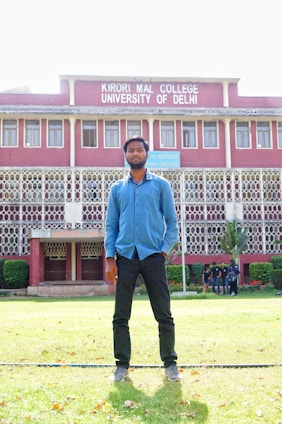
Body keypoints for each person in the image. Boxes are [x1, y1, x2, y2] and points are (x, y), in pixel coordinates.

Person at [105, 135, 182, 383]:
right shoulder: (117, 189)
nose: (135, 154)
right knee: (120, 315)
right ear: (125, 155)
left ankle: (170, 364)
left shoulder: (161, 186)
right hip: (125, 256)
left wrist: (162, 251)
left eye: (139, 150)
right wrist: (110, 258)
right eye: (131, 151)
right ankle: (121, 366)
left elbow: (172, 223)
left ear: (146, 154)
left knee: (164, 313)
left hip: (152, 256)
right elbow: (111, 226)